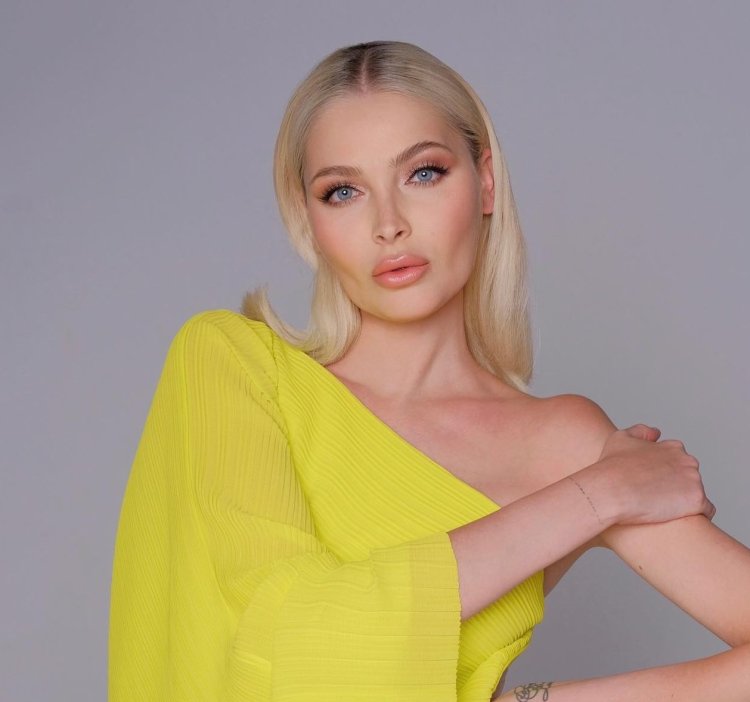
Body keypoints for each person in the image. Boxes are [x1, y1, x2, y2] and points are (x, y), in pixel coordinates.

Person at [108, 40, 750, 701]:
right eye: (343, 191)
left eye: (423, 173)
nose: (388, 225)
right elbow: (283, 644)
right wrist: (595, 498)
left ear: (486, 182)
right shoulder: (235, 367)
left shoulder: (563, 441)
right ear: (308, 219)